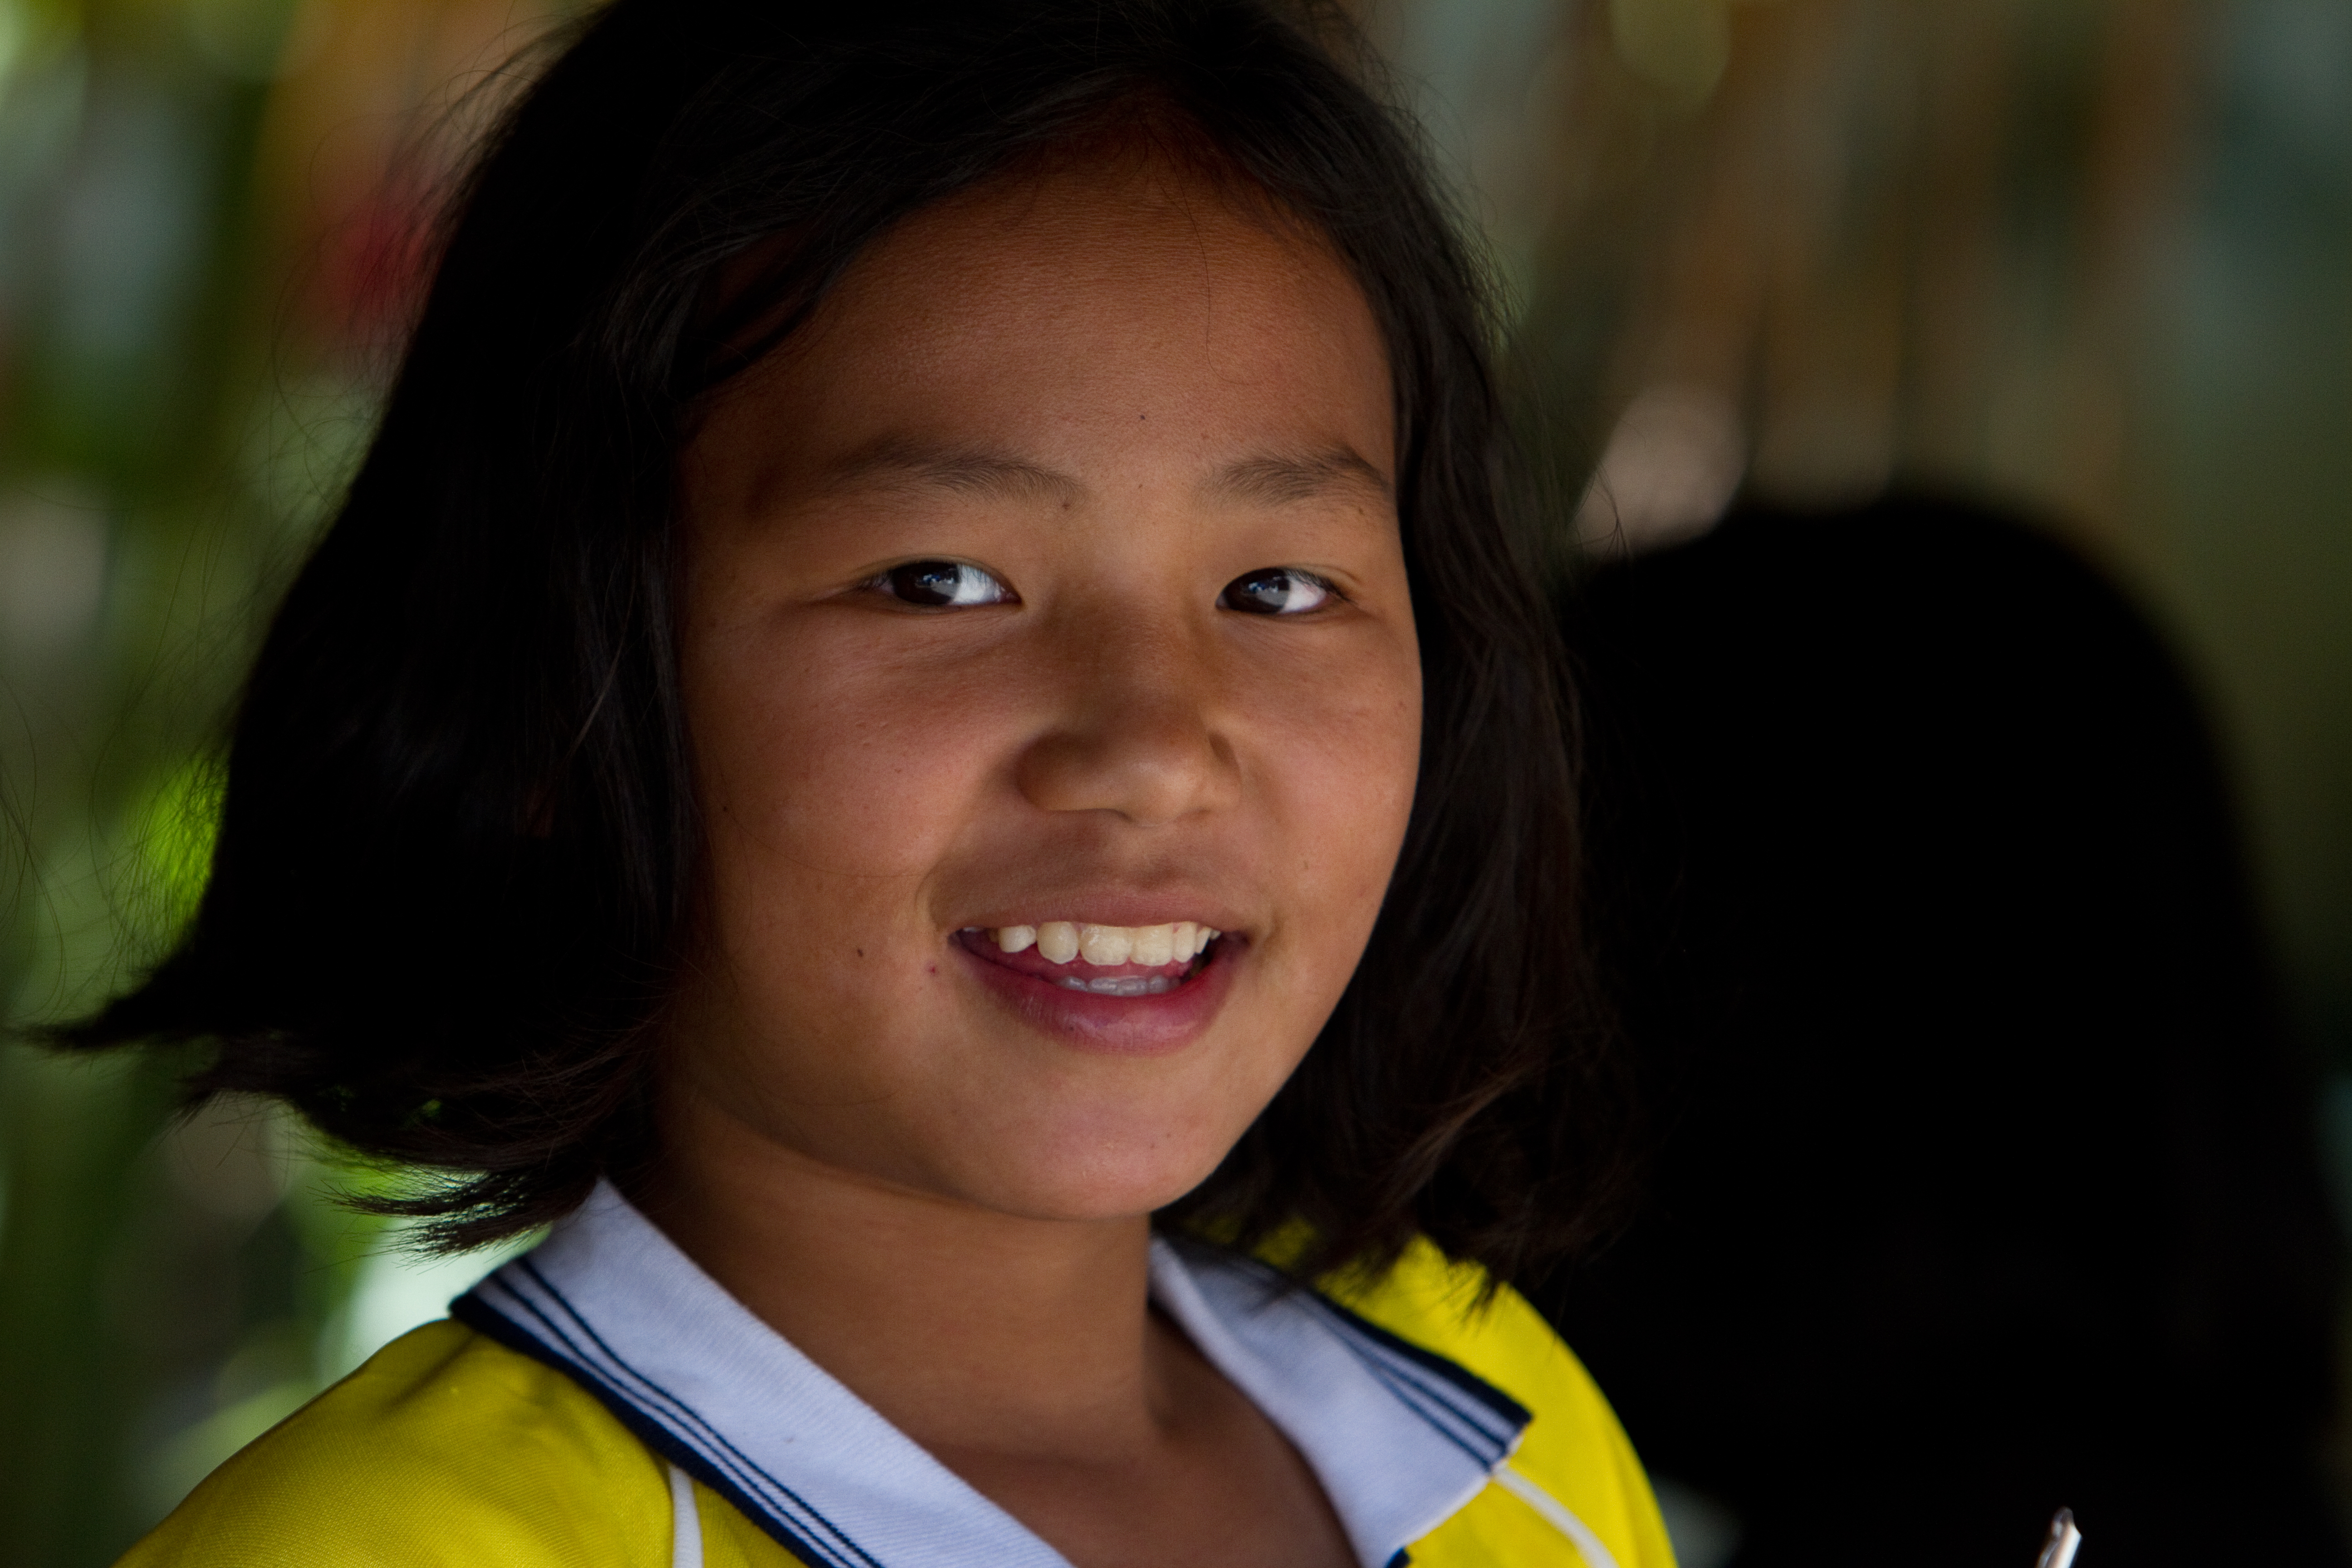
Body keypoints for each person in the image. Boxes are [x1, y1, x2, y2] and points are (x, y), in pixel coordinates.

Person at [64, 2, 1665, 1564]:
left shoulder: (1500, 1430)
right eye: (939, 583)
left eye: (1277, 590)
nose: (1156, 748)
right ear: (558, 688)